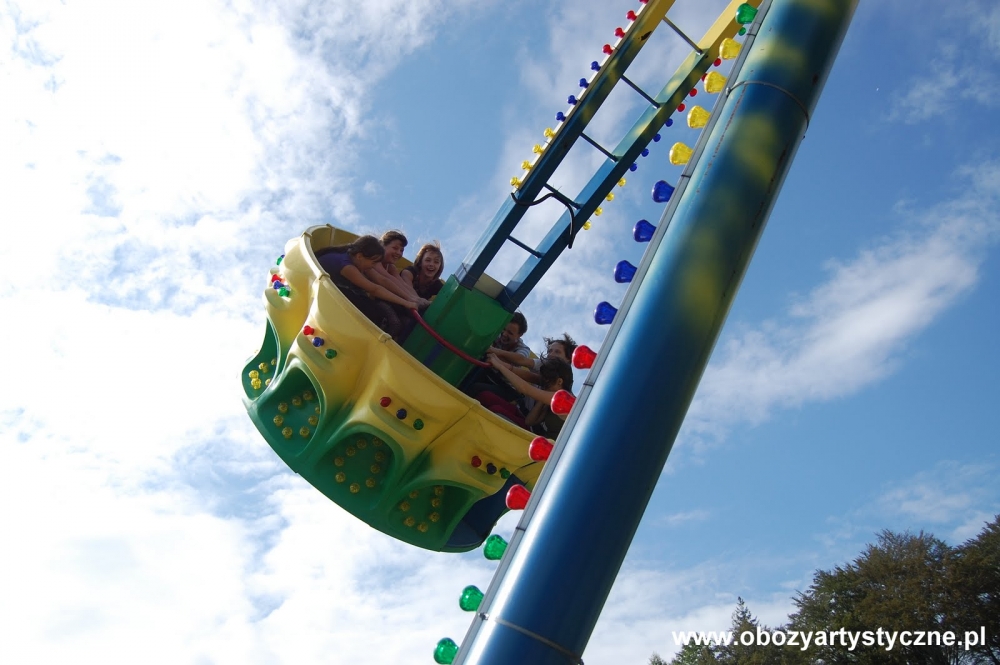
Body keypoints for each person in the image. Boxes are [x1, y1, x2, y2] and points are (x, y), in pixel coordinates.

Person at [314, 235, 417, 340]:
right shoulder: (347, 266)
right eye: (374, 262)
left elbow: (378, 284)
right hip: (323, 293)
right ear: (360, 256)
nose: (374, 266)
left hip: (329, 288)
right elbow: (375, 289)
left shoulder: (351, 256)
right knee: (375, 314)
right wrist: (406, 303)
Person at [479, 355, 574, 438]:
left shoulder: (563, 399)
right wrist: (542, 400)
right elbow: (529, 421)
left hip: (539, 444)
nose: (544, 385)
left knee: (496, 410)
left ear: (559, 381)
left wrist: (499, 366)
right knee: (486, 396)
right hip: (532, 432)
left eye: (547, 382)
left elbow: (525, 389)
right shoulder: (550, 400)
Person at [365, 230, 430, 308]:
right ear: (382, 246)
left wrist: (418, 299)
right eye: (395, 248)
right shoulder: (375, 260)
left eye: (401, 250)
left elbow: (402, 284)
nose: (399, 253)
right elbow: (385, 279)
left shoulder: (391, 267)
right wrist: (410, 298)